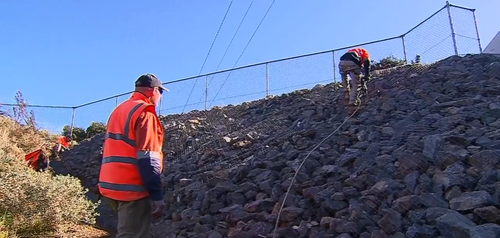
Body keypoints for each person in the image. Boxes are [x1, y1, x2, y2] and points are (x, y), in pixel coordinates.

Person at [97, 73, 169, 238]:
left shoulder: (119, 110)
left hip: (110, 186)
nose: (160, 97)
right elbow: (148, 158)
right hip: (132, 190)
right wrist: (157, 196)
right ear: (153, 91)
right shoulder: (145, 112)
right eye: (161, 92)